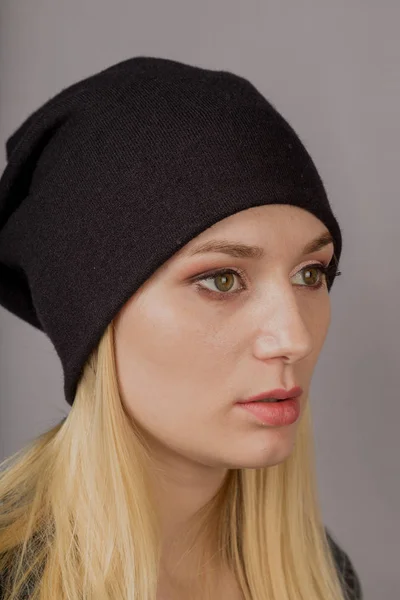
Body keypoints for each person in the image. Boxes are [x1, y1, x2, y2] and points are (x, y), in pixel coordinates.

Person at [0, 56, 363, 600]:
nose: (295, 338)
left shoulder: (320, 575)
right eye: (221, 279)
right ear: (94, 318)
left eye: (311, 273)